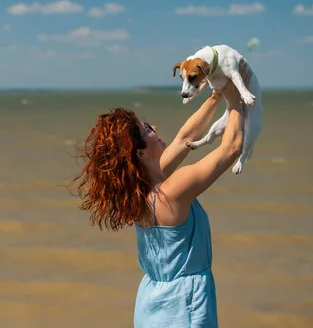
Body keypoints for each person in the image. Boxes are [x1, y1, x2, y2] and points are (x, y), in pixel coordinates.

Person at [69, 82, 244, 327]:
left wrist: (217, 95)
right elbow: (232, 148)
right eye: (148, 129)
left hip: (152, 303)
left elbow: (186, 139)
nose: (156, 128)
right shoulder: (172, 191)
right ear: (140, 153)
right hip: (185, 306)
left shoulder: (138, 190)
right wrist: (238, 98)